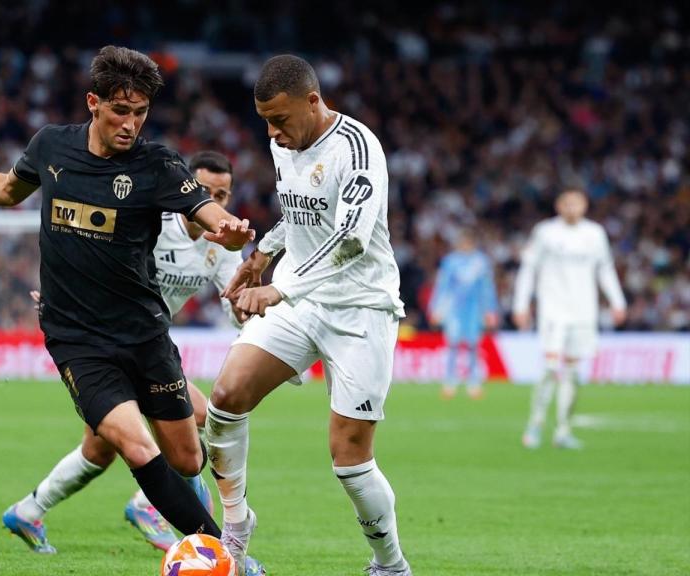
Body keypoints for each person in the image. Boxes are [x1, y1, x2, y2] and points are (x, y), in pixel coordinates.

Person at [0, 46, 254, 548]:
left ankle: (41, 511)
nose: (131, 124)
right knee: (135, 445)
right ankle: (225, 554)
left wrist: (227, 230)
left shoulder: (157, 164)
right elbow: (6, 189)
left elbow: (205, 208)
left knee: (187, 459)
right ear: (92, 102)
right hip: (77, 338)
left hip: (144, 333)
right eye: (121, 111)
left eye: (140, 113)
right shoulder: (52, 146)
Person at [1, 153, 262, 576]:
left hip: (147, 346)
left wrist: (253, 314)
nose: (213, 200)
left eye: (222, 194)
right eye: (206, 191)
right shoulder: (155, 226)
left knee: (100, 449)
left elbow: (236, 305)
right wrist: (62, 296)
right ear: (188, 190)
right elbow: (91, 254)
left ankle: (29, 511)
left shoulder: (221, 248)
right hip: (105, 341)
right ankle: (169, 520)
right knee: (195, 422)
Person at [204, 55, 412, 576]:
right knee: (226, 397)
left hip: (361, 308)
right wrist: (262, 256)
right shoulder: (284, 144)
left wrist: (278, 288)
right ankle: (235, 527)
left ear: (313, 102)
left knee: (350, 459)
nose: (272, 133)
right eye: (265, 122)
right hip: (303, 300)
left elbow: (350, 238)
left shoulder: (359, 150)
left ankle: (390, 565)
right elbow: (301, 219)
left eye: (280, 119)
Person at [513, 189, 626, 450]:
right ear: (558, 205)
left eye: (577, 203)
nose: (572, 208)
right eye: (567, 203)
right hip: (553, 310)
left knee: (574, 372)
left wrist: (618, 301)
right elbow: (528, 269)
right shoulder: (545, 232)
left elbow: (606, 269)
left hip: (584, 311)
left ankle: (563, 430)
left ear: (585, 206)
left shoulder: (595, 234)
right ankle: (536, 423)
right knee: (551, 367)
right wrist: (521, 304)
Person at [428, 229, 499, 399]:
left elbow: (487, 288)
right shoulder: (450, 262)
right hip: (454, 309)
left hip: (474, 309)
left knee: (473, 346)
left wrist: (490, 310)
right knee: (452, 345)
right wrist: (436, 309)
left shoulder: (481, 262)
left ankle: (474, 382)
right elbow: (442, 286)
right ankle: (450, 382)